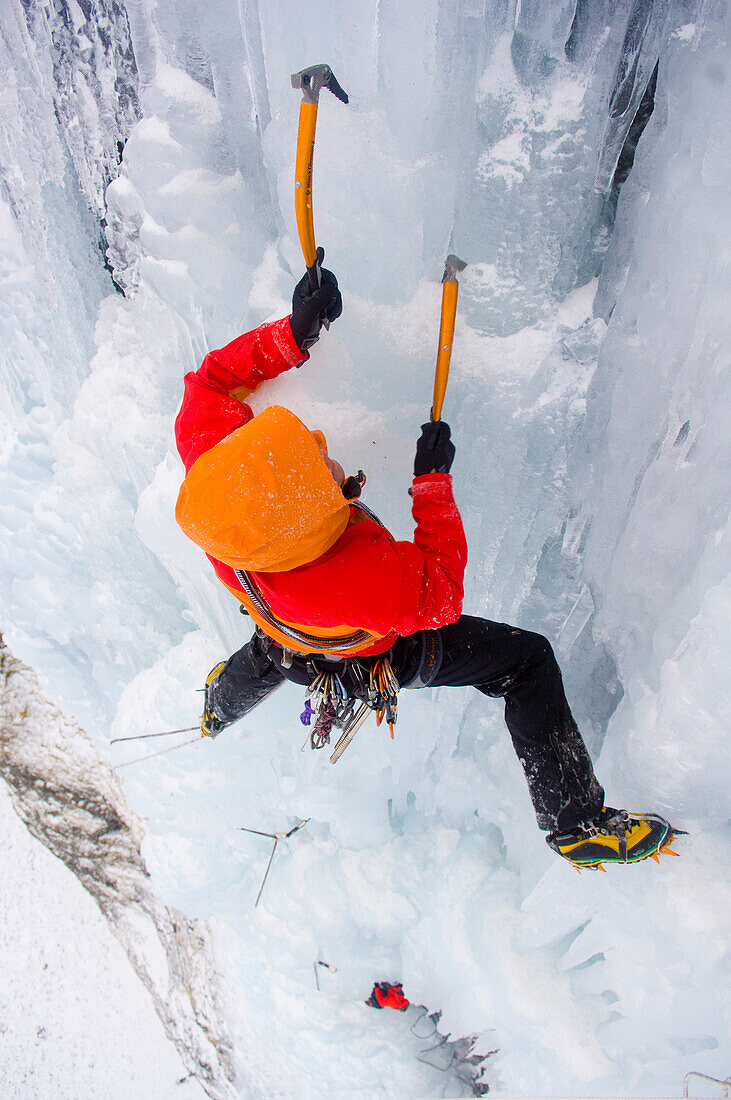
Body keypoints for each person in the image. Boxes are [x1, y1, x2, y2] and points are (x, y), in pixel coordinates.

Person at [174, 252, 675, 870]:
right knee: (526, 663)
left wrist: (293, 335)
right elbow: (440, 595)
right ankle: (575, 824)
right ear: (310, 528)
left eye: (306, 443)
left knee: (272, 653)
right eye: (320, 469)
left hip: (286, 632)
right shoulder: (355, 579)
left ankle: (218, 707)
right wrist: (432, 484)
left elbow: (208, 385)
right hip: (376, 654)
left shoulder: (217, 487)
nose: (323, 446)